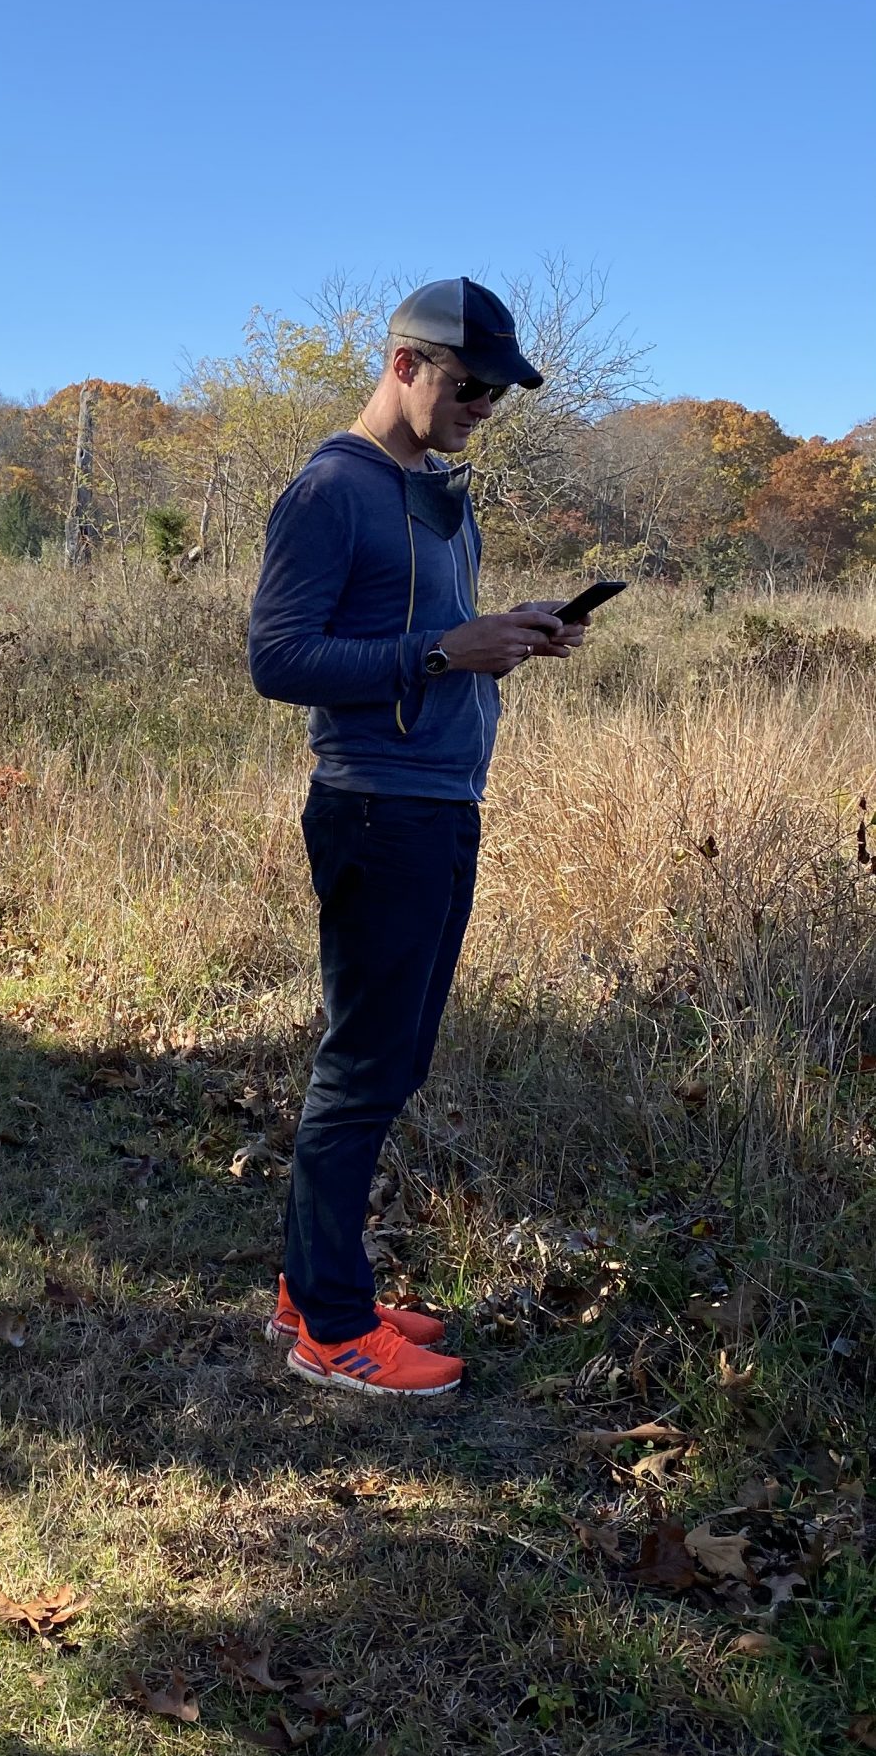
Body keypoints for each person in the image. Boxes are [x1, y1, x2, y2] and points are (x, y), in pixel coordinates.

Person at [247, 277, 588, 1399]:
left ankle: (318, 1283)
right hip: (375, 808)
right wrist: (446, 653)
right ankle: (331, 1333)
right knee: (361, 1067)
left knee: (390, 1061)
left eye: (497, 393)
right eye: (468, 384)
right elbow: (278, 659)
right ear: (402, 365)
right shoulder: (329, 490)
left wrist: (505, 638)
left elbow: (426, 635)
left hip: (440, 801)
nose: (484, 405)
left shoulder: (432, 489)